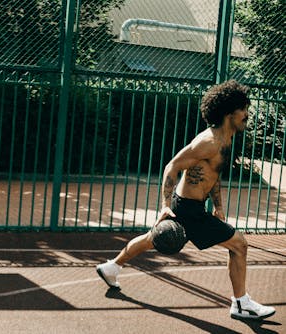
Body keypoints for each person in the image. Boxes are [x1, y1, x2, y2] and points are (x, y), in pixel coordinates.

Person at [96, 80, 276, 320]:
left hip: (192, 207)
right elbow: (172, 166)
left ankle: (111, 267)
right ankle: (241, 304)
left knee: (151, 240)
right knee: (239, 245)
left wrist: (219, 207)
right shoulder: (208, 142)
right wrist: (164, 205)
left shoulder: (225, 140)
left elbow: (213, 174)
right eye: (243, 108)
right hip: (188, 209)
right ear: (228, 112)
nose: (247, 114)